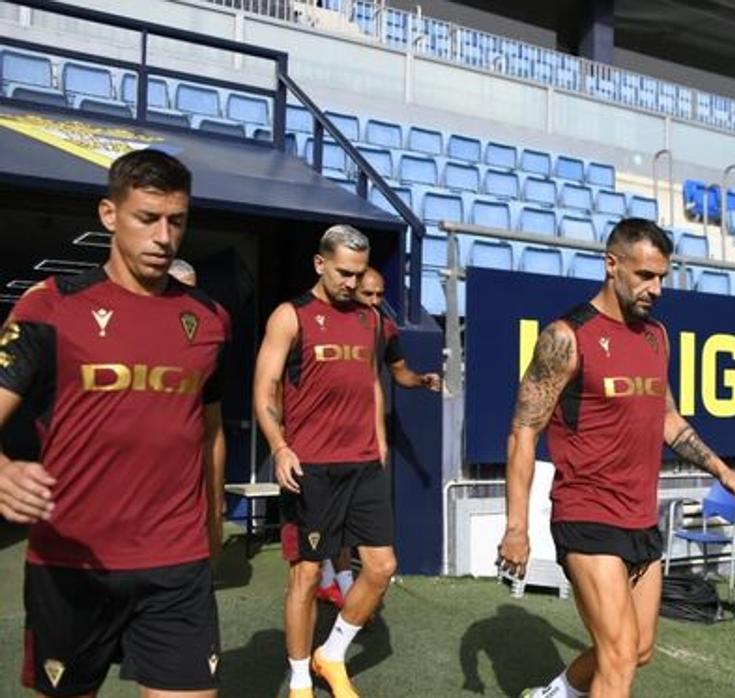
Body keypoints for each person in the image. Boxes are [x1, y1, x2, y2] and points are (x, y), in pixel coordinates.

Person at [0, 149, 229, 697]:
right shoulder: (49, 307)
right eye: (146, 218)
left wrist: (213, 524)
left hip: (176, 560)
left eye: (176, 220)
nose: (164, 237)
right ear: (109, 215)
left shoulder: (211, 319)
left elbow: (209, 431)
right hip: (72, 560)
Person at [496, 218, 735, 698]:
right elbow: (523, 432)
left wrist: (722, 470)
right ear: (611, 265)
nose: (656, 288)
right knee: (617, 659)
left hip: (639, 517)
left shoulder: (656, 335)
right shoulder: (566, 336)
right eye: (644, 276)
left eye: (661, 277)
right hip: (587, 513)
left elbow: (668, 420)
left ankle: (555, 694)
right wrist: (517, 527)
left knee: (638, 650)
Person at [253, 226, 395, 698]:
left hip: (363, 465)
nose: (352, 284)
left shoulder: (370, 320)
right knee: (308, 575)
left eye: (358, 274)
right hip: (310, 467)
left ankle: (330, 654)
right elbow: (266, 387)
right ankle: (298, 681)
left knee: (380, 567)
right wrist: (279, 446)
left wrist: (378, 439)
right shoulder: (290, 316)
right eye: (343, 273)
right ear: (319, 264)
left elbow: (372, 381)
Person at [311, 267, 442, 609]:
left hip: (362, 449)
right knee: (321, 540)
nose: (374, 301)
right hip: (317, 449)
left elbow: (398, 372)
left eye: (380, 295)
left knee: (368, 545)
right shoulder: (311, 319)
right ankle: (331, 584)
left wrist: (420, 380)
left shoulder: (382, 326)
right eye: (367, 294)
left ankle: (340, 588)